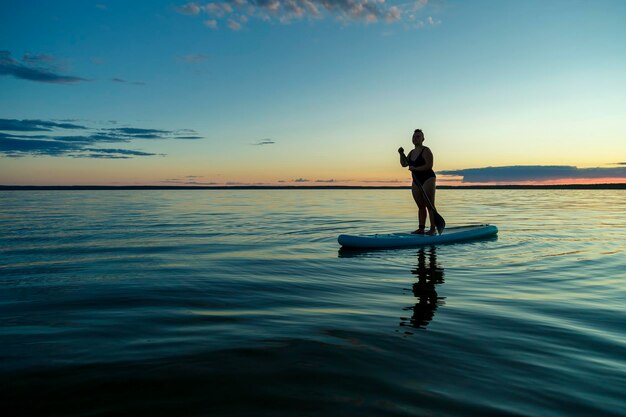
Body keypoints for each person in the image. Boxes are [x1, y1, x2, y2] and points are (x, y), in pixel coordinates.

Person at [398, 129, 437, 235]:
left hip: (428, 178)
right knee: (420, 205)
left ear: (423, 139)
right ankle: (421, 228)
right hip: (416, 180)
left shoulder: (426, 150)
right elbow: (404, 164)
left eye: (418, 136)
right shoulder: (411, 152)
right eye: (414, 137)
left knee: (429, 205)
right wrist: (401, 154)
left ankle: (433, 229)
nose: (415, 138)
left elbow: (429, 165)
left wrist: (415, 169)